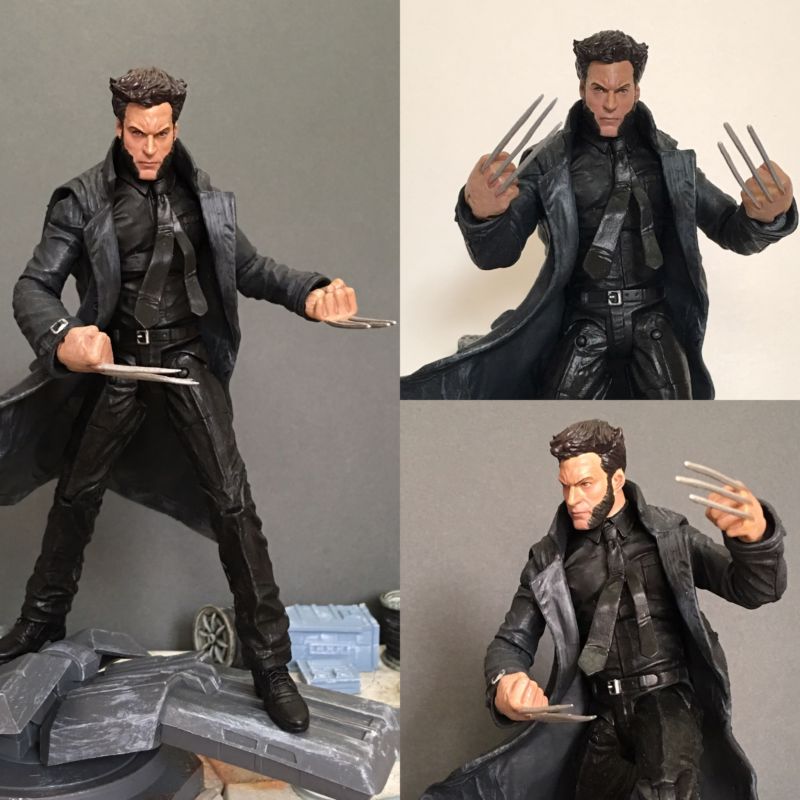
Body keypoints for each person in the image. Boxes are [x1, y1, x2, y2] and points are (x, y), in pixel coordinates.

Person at [0, 67, 364, 734]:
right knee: (76, 496)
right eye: (137, 133)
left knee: (234, 506)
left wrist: (310, 292)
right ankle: (40, 620)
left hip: (187, 363)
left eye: (160, 133)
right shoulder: (82, 201)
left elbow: (249, 268)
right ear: (118, 125)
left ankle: (270, 662)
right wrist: (65, 337)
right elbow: (33, 287)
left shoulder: (204, 199)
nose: (148, 147)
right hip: (118, 365)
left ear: (175, 127)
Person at [401, 30, 797, 399]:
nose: (610, 104)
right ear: (582, 89)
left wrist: (766, 217)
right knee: (553, 423)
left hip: (653, 320)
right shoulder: (550, 163)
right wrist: (482, 214)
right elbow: (496, 254)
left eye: (621, 90)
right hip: (584, 320)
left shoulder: (670, 161)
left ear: (636, 90)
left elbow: (729, 228)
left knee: (680, 422)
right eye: (599, 89)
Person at [422, 419, 786, 800]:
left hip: (666, 701)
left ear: (617, 479)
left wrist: (756, 541)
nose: (572, 499)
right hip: (602, 711)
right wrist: (506, 683)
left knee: (669, 789)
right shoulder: (551, 561)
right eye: (565, 485)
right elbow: (511, 642)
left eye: (585, 484)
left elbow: (754, 588)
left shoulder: (669, 535)